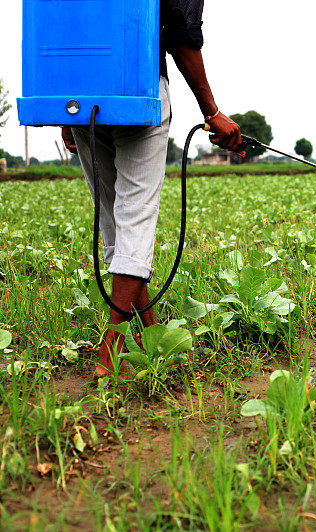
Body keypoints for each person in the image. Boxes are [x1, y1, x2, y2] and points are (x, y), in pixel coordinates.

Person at [62, 0, 241, 378]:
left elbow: (67, 27)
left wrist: (62, 112)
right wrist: (211, 111)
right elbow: (181, 35)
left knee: (113, 218)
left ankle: (148, 332)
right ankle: (109, 353)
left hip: (81, 95)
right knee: (135, 219)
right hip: (139, 90)